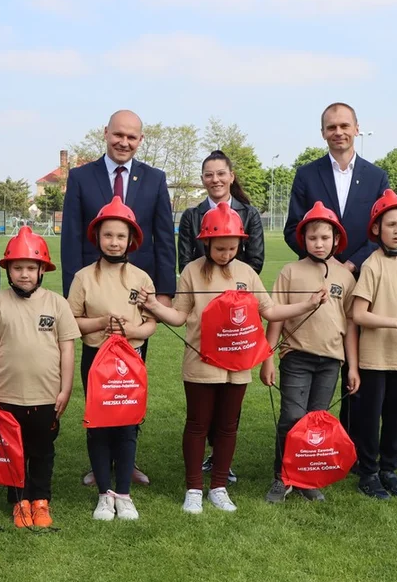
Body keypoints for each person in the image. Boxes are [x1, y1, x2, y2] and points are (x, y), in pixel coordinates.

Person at [137, 202, 327, 514]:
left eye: (232, 247)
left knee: (228, 426)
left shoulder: (247, 273)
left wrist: (306, 305)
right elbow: (180, 316)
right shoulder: (192, 272)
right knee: (198, 425)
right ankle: (194, 488)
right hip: (201, 364)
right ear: (206, 243)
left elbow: (270, 311)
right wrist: (155, 307)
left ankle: (220, 487)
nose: (226, 254)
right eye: (220, 248)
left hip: (237, 367)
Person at [61, 109, 176, 487]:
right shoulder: (80, 177)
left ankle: (128, 458)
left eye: (132, 136)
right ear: (105, 133)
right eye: (118, 135)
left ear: (140, 140)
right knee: (98, 382)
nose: (124, 142)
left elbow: (163, 240)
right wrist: (72, 303)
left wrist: (163, 298)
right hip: (94, 300)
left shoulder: (155, 179)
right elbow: (72, 240)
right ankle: (99, 464)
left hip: (136, 303)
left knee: (130, 381)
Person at [284, 103, 390, 434]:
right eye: (331, 127)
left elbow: (380, 232)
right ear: (322, 133)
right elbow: (292, 228)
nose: (338, 132)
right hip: (318, 288)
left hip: (363, 282)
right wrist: (323, 264)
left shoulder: (376, 177)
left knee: (358, 371)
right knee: (325, 367)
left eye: (344, 125)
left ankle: (351, 446)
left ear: (357, 128)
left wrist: (348, 264)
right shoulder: (307, 174)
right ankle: (313, 444)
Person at [260, 201, 359, 503]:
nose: (319, 243)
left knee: (317, 421)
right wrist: (267, 358)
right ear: (303, 239)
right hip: (296, 357)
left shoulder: (345, 276)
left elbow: (351, 324)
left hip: (331, 361)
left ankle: (306, 478)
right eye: (313, 237)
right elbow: (275, 315)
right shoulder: (290, 272)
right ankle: (282, 477)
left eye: (325, 238)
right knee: (292, 417)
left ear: (336, 240)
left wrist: (352, 367)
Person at [0, 227, 79, 529]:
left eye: (30, 268)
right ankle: (19, 501)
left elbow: (67, 349)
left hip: (47, 396)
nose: (24, 274)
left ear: (41, 271)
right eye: (17, 267)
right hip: (8, 395)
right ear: (8, 270)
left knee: (42, 451)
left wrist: (66, 389)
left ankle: (40, 500)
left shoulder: (57, 303)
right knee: (14, 452)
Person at [178, 149, 265, 484]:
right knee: (200, 415)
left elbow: (253, 262)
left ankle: (219, 469)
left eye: (220, 173)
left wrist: (233, 298)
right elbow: (186, 261)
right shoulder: (192, 217)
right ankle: (196, 483)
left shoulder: (249, 216)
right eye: (208, 174)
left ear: (231, 176)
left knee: (229, 415)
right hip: (203, 321)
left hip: (236, 319)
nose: (215, 179)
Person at [68, 197, 157, 521]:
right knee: (100, 425)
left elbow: (152, 323)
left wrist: (134, 329)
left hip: (131, 359)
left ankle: (124, 493)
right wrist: (100, 323)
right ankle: (104, 494)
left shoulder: (141, 278)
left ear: (131, 239)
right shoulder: (83, 278)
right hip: (96, 358)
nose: (115, 241)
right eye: (108, 235)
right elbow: (72, 320)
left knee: (128, 425)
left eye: (121, 236)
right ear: (98, 238)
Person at [349, 189, 397, 500]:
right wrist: (396, 323)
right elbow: (358, 314)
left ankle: (389, 469)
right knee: (371, 417)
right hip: (374, 357)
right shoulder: (372, 265)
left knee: (396, 417)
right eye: (391, 224)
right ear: (377, 229)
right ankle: (368, 472)